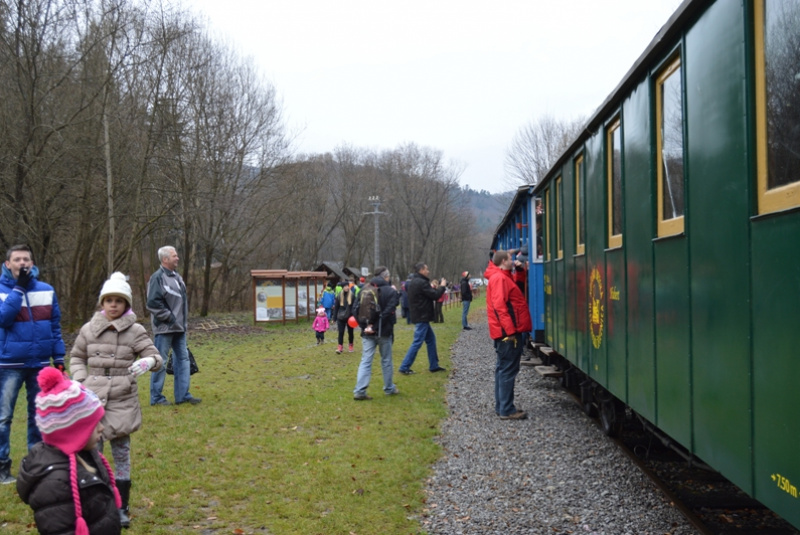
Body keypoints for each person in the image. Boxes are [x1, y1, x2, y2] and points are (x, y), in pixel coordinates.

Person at [69, 272, 164, 527]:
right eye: (108, 300)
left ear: (126, 304)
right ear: (102, 302)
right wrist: (80, 380)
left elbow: (156, 357)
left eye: (118, 300)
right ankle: (97, 505)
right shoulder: (89, 329)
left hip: (123, 399)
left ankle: (122, 507)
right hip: (93, 400)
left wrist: (149, 362)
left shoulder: (136, 331)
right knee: (93, 456)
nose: (113, 304)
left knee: (122, 454)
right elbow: (77, 357)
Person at [16, 366, 122, 535]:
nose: (102, 428)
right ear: (73, 433)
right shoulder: (55, 483)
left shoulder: (87, 455)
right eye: (94, 425)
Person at [0, 244, 66, 485]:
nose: (22, 263)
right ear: (8, 264)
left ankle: (36, 465)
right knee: (3, 417)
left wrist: (58, 359)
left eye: (26, 259)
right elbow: (3, 319)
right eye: (17, 259)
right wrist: (19, 288)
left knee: (38, 415)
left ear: (32, 262)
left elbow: (55, 327)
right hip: (8, 364)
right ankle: (2, 467)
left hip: (39, 363)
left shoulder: (46, 291)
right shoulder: (2, 290)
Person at [147, 246, 200, 406]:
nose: (177, 258)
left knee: (183, 360)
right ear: (165, 259)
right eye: (174, 256)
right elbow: (152, 303)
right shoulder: (157, 278)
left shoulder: (177, 277)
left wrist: (181, 323)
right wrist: (170, 319)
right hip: (165, 328)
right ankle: (156, 398)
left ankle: (182, 396)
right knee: (160, 362)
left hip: (179, 328)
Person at [485, 250, 532, 420]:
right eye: (511, 258)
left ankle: (502, 406)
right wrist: (510, 331)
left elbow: (514, 288)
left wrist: (519, 271)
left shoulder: (501, 276)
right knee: (507, 370)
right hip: (507, 334)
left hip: (504, 332)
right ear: (504, 260)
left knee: (503, 369)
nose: (513, 260)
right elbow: (500, 306)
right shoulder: (499, 278)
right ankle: (506, 409)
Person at [353, 266, 400, 400]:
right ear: (386, 277)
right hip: (384, 331)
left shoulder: (363, 290)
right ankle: (389, 388)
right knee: (386, 360)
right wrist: (375, 325)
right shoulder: (390, 292)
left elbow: (355, 310)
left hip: (367, 332)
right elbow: (390, 310)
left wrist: (365, 326)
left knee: (366, 360)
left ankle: (360, 390)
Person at [398, 263, 447, 375]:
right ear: (421, 270)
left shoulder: (414, 282)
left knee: (431, 340)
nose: (428, 271)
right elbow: (434, 295)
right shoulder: (421, 283)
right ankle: (404, 366)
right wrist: (442, 286)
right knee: (417, 342)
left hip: (419, 315)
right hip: (422, 316)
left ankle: (434, 365)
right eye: (426, 269)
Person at [332, 283, 355, 354]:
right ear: (342, 287)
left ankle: (351, 345)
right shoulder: (339, 296)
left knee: (350, 332)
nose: (346, 287)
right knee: (341, 332)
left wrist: (354, 316)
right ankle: (340, 347)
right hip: (341, 317)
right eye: (345, 286)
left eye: (347, 286)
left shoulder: (352, 295)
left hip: (350, 317)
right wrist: (334, 318)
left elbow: (355, 306)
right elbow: (336, 308)